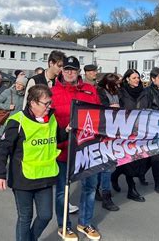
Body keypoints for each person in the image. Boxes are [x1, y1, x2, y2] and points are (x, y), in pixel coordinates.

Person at [0, 84, 68, 241]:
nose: (49, 107)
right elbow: (3, 149)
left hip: (45, 176)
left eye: (50, 103)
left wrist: (66, 131)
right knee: (25, 218)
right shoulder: (17, 121)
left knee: (46, 215)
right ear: (32, 102)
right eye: (45, 103)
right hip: (23, 179)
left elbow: (56, 139)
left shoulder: (52, 118)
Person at [52, 56, 101, 240]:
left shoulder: (90, 90)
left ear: (79, 71)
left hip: (87, 149)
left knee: (89, 186)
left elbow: (99, 115)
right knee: (62, 191)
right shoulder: (53, 92)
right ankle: (64, 225)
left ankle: (85, 222)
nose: (69, 72)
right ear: (61, 70)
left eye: (73, 69)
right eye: (66, 69)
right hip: (63, 149)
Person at [111, 69, 148, 202]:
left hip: (140, 131)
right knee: (129, 160)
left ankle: (115, 175)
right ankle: (132, 190)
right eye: (134, 78)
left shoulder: (144, 92)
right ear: (127, 79)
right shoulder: (121, 93)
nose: (137, 80)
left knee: (138, 160)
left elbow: (148, 110)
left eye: (138, 77)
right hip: (125, 132)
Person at [137, 67, 159, 195]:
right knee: (156, 157)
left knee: (151, 157)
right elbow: (142, 112)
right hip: (151, 131)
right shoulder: (147, 92)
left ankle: (140, 173)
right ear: (153, 79)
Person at [93, 73, 120, 211]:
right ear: (109, 83)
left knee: (107, 164)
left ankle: (99, 189)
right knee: (106, 165)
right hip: (103, 132)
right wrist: (111, 107)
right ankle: (106, 195)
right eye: (116, 83)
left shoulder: (115, 92)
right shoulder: (100, 92)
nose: (118, 85)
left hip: (114, 131)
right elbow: (99, 109)